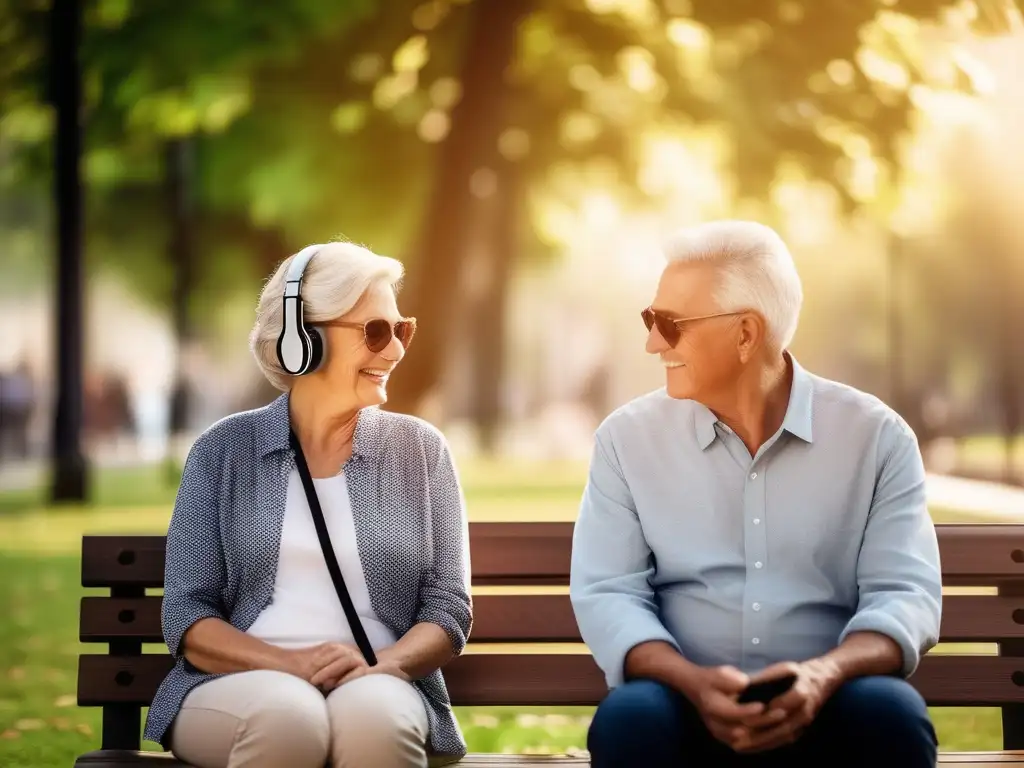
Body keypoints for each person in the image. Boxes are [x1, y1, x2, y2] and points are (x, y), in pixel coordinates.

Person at [570, 220, 941, 768]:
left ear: (746, 333)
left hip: (833, 702)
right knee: (631, 720)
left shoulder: (878, 438)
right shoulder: (626, 441)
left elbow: (905, 595)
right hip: (682, 706)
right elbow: (610, 593)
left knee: (891, 715)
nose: (652, 342)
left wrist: (821, 676)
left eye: (669, 324)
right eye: (651, 319)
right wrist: (693, 683)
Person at [144, 242, 473, 768]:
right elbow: (187, 615)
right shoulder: (222, 452)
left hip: (380, 679)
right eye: (375, 331)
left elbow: (448, 605)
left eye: (401, 328)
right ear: (303, 339)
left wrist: (383, 666)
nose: (395, 351)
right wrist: (286, 663)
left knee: (376, 721)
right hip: (237, 685)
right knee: (288, 718)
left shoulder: (421, 451)